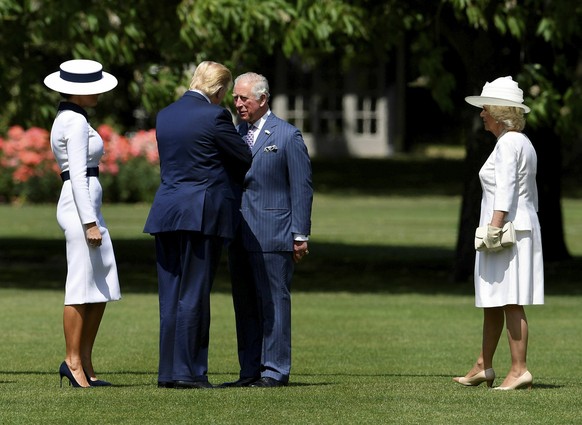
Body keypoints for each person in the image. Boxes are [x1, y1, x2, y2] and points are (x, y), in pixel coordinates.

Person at [143, 61, 252, 389]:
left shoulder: (165, 115)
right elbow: (243, 157)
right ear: (218, 90)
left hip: (166, 211)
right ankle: (189, 372)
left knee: (171, 295)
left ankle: (168, 371)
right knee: (193, 293)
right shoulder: (215, 116)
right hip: (201, 213)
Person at [220, 72, 313, 388]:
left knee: (274, 303)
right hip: (238, 233)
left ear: (262, 99)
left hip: (274, 234)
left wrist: (300, 235)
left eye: (243, 98)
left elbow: (302, 188)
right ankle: (249, 370)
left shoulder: (287, 136)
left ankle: (274, 370)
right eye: (235, 98)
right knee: (244, 304)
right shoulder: (234, 133)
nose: (237, 103)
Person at [453, 76, 544, 390]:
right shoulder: (519, 142)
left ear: (498, 111)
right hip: (515, 231)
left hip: (507, 234)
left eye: (485, 108)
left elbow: (505, 191)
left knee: (511, 301)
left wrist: (493, 229)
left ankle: (519, 370)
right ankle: (483, 365)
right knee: (494, 300)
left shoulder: (508, 144)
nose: (481, 114)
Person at [44, 59, 122, 388]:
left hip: (85, 205)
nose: (99, 94)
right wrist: (89, 221)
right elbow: (77, 174)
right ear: (78, 94)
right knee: (80, 284)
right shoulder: (74, 121)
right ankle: (72, 361)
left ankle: (85, 361)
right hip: (80, 208)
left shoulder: (72, 117)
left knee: (101, 282)